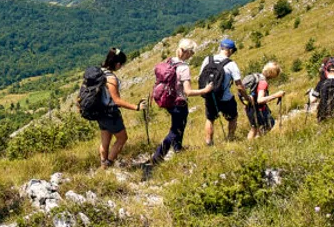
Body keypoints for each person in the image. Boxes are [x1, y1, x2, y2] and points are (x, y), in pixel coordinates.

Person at [148, 38, 211, 166]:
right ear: (187, 52)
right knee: (175, 130)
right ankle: (157, 156)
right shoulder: (184, 68)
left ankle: (178, 149)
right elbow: (188, 91)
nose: (192, 55)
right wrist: (205, 90)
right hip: (179, 103)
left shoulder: (170, 61)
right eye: (192, 52)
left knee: (178, 126)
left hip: (169, 101)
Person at [91, 48, 145, 168]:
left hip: (100, 113)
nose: (121, 67)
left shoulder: (99, 72)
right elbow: (117, 101)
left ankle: (103, 166)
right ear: (117, 63)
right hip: (110, 114)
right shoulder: (111, 78)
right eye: (121, 64)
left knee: (105, 142)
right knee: (122, 138)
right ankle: (109, 164)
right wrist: (136, 107)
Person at [201, 38, 245, 146]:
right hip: (225, 98)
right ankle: (230, 138)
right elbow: (239, 85)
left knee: (210, 119)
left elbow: (201, 77)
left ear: (221, 47)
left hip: (210, 96)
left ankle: (209, 142)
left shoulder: (208, 59)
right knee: (233, 117)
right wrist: (246, 97)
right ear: (230, 50)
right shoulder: (231, 64)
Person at [245, 62, 285, 138]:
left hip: (250, 107)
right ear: (272, 74)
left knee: (255, 128)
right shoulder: (263, 83)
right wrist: (276, 95)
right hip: (257, 109)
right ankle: (257, 140)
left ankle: (253, 142)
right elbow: (260, 100)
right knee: (268, 124)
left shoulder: (258, 77)